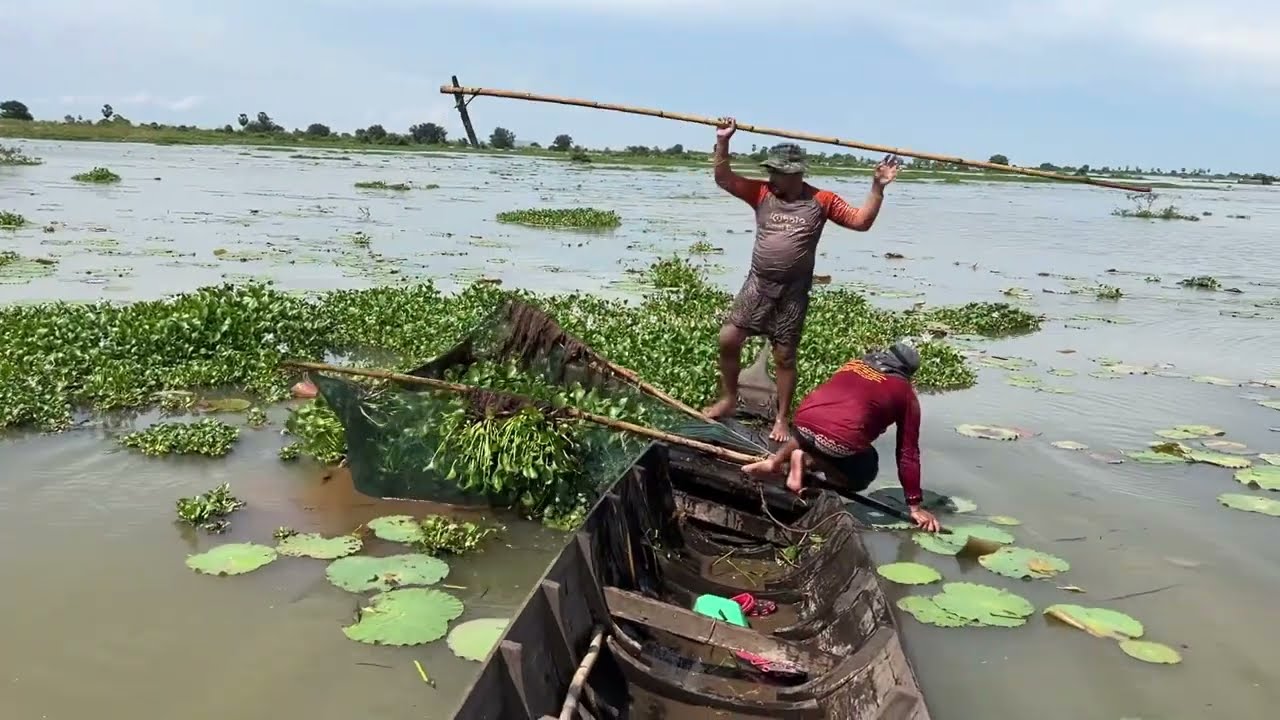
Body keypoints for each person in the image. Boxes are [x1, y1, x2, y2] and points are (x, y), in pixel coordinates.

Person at [703, 118, 901, 442]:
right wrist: (723, 140)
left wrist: (877, 188)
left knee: (785, 356)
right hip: (758, 283)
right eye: (770, 171)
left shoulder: (822, 200)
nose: (771, 177)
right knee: (728, 338)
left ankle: (781, 418)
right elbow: (723, 178)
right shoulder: (762, 193)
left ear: (795, 174)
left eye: (776, 172)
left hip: (792, 292)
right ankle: (727, 398)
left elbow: (861, 222)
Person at [742, 342, 941, 532]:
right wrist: (914, 506)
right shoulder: (905, 392)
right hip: (835, 441)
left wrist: (780, 457)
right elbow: (908, 453)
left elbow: (830, 412)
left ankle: (779, 462)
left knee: (818, 428)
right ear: (907, 372)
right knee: (866, 468)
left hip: (803, 423)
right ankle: (816, 484)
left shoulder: (854, 364)